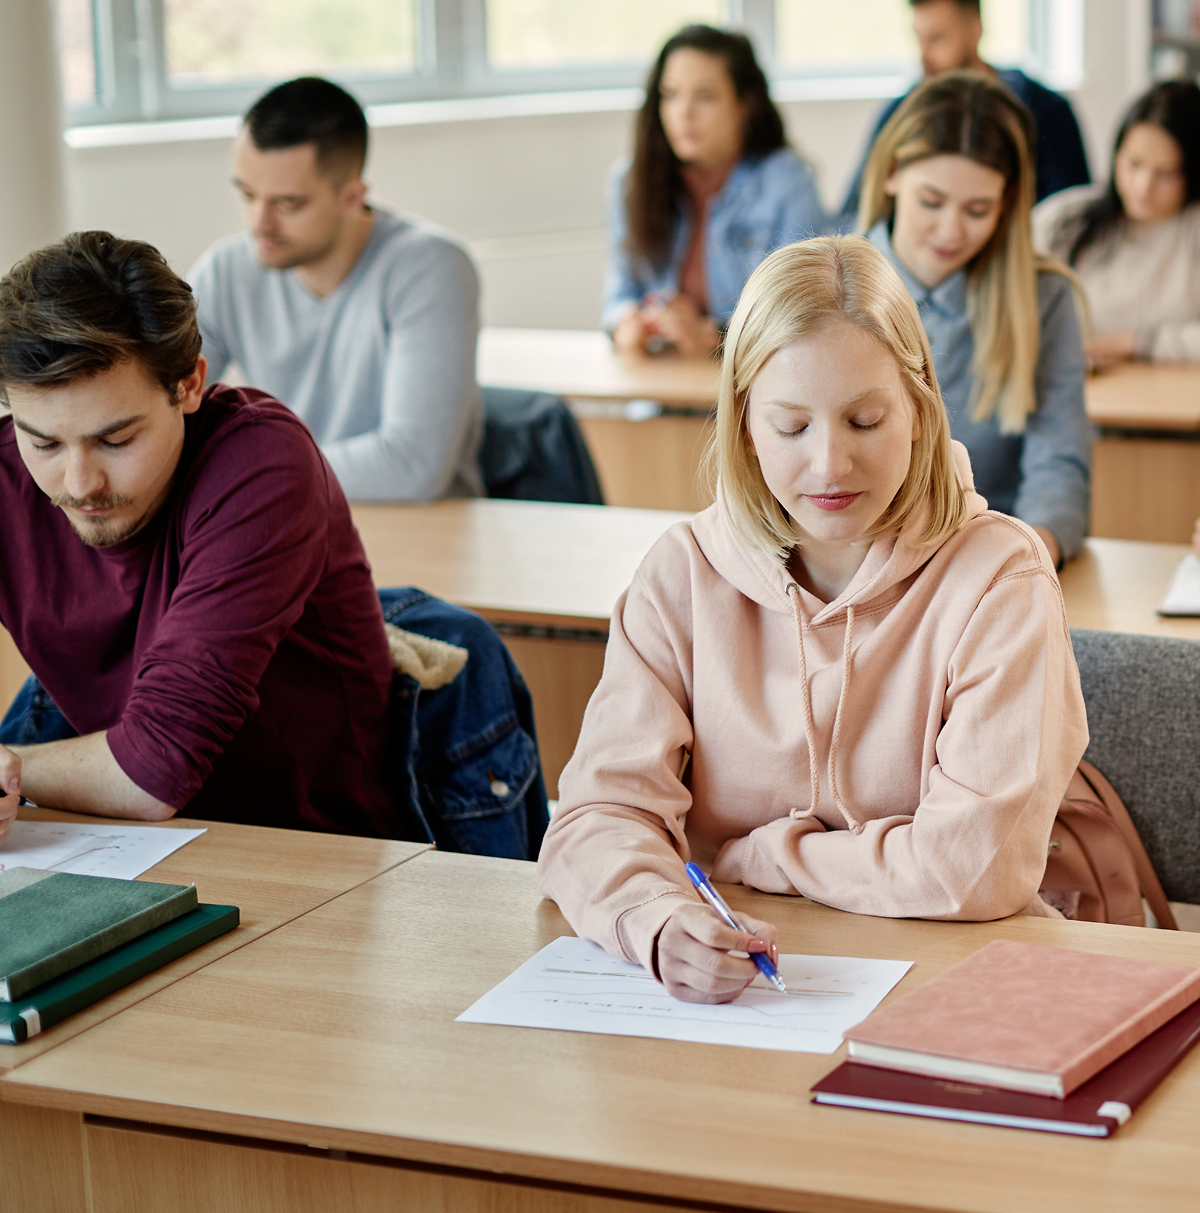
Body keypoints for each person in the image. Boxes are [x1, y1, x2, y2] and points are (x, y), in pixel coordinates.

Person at [539, 236, 1088, 1004]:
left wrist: (754, 857)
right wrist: (657, 920)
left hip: (949, 987)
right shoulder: (682, 573)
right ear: (744, 429)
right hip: (743, 997)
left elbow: (973, 867)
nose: (830, 465)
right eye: (791, 428)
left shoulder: (1001, 578)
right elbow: (597, 814)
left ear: (921, 415)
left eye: (865, 421)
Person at [0, 232, 548, 857]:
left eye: (116, 440)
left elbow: (154, 772)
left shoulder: (261, 462)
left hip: (328, 854)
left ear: (189, 387)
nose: (78, 484)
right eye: (42, 442)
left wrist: (15, 768)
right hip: (140, 845)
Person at [190, 76, 483, 502]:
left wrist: (249, 472)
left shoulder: (430, 267)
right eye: (248, 195)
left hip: (418, 531)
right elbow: (162, 414)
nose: (259, 223)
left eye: (288, 204)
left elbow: (412, 466)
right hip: (286, 520)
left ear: (352, 196)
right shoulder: (225, 270)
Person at [859, 70, 1091, 569]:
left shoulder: (1044, 298)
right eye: (932, 202)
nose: (951, 231)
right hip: (849, 568)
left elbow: (1058, 469)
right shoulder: (826, 284)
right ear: (892, 173)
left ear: (1007, 203)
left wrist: (1027, 557)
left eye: (978, 209)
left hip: (987, 566)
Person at [605, 24, 827, 357]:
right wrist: (627, 322)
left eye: (705, 96)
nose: (684, 112)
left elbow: (801, 316)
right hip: (659, 383)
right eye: (670, 95)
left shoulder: (787, 181)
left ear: (745, 105)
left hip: (752, 390)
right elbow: (620, 295)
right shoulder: (630, 179)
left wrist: (715, 337)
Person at [840, 0, 1090, 224]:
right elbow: (854, 214)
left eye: (936, 38)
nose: (923, 55)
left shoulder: (1046, 112)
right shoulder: (901, 112)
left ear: (975, 29)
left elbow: (1070, 218)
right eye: (918, 39)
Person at [1033, 79, 1200, 368]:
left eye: (1166, 173)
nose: (1143, 186)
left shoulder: (1192, 230)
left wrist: (1136, 342)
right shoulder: (1063, 220)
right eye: (1134, 164)